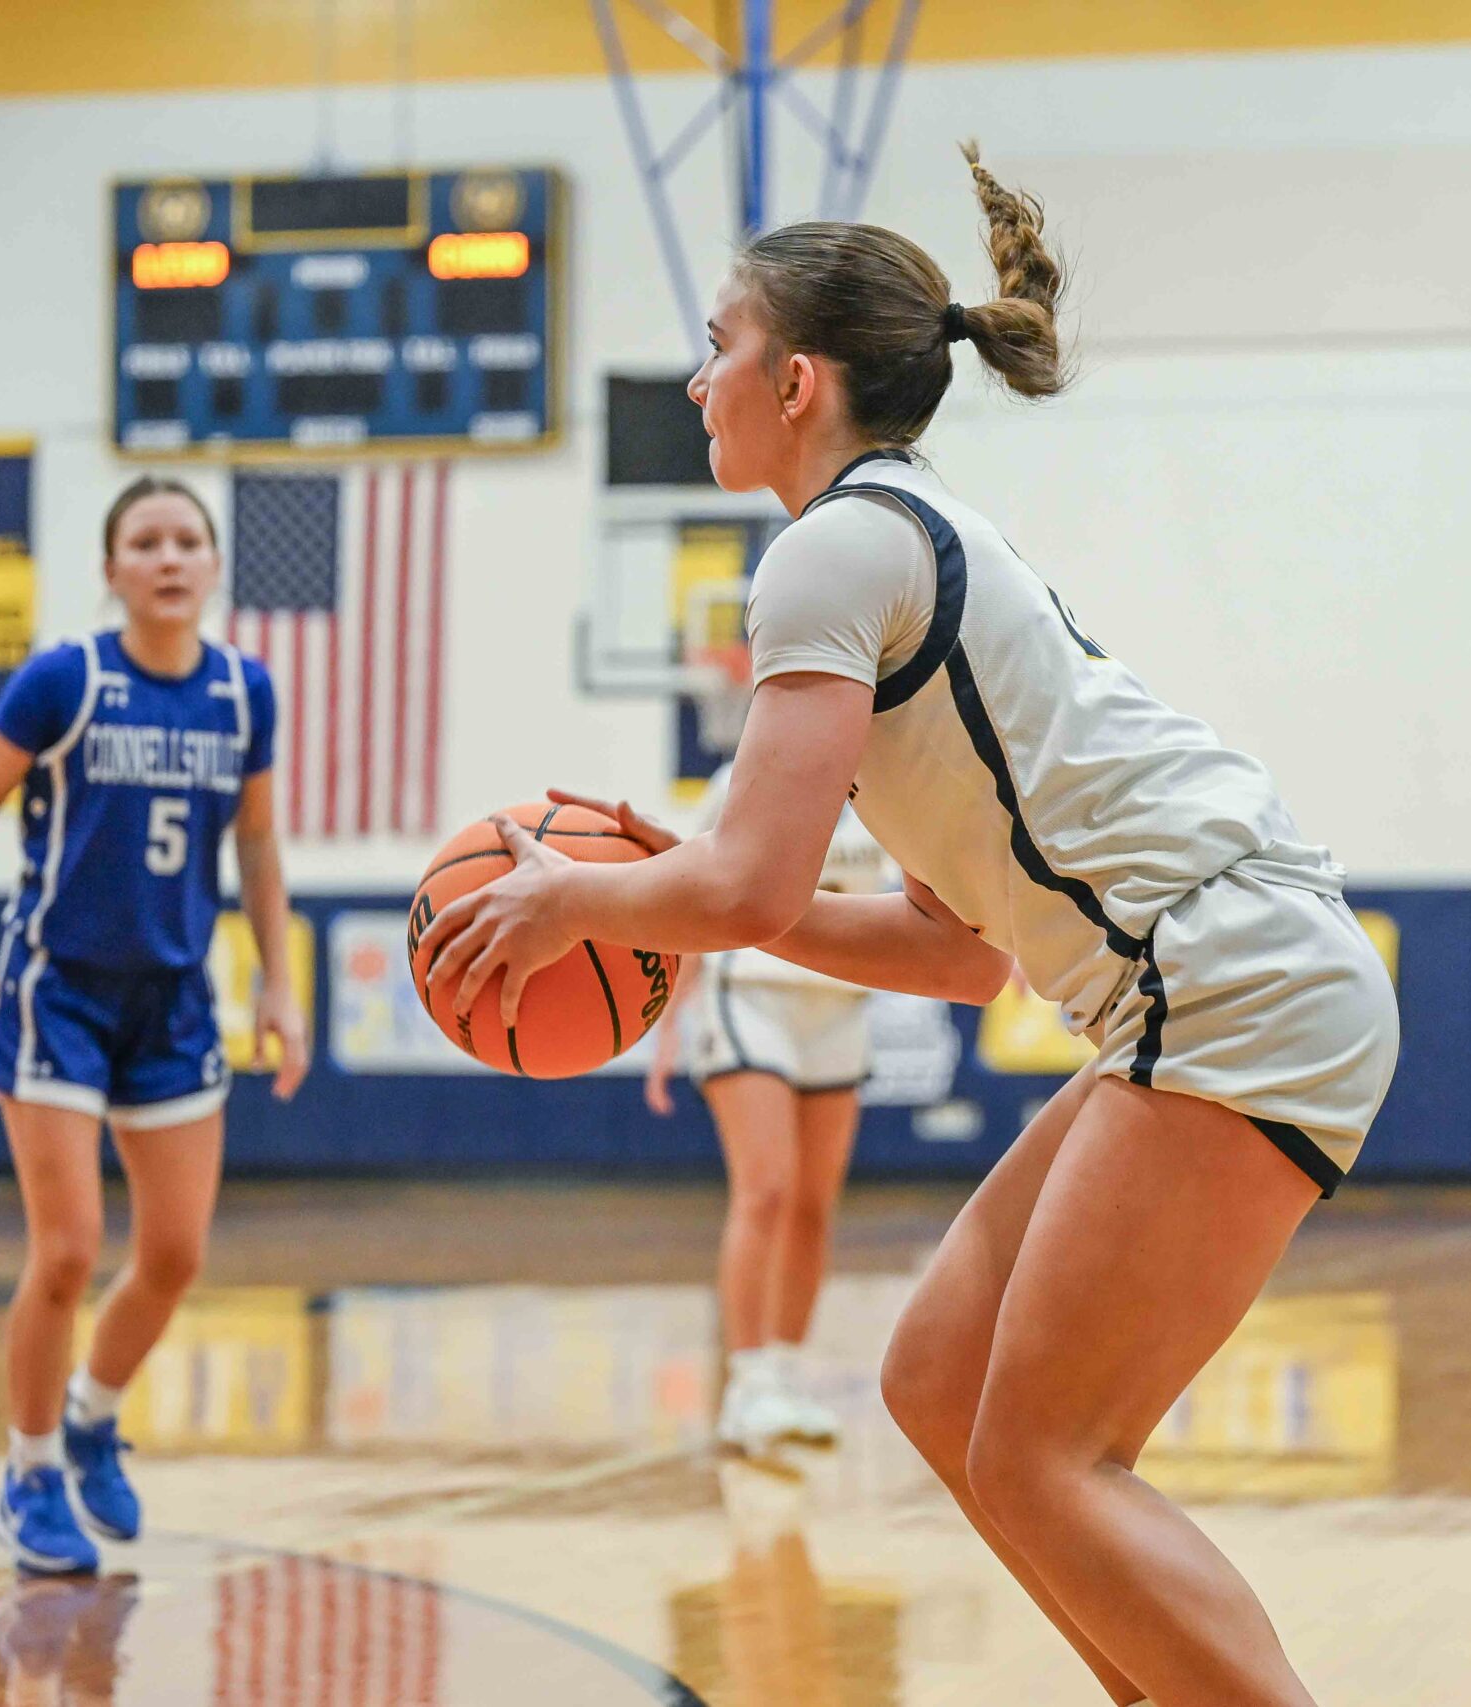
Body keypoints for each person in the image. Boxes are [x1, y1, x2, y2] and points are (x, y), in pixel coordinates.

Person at [424, 143, 1399, 1707]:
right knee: (942, 1382)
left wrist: (581, 897)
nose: (699, 380)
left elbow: (744, 887)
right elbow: (955, 950)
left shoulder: (831, 550)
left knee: (1042, 1455)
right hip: (1218, 971)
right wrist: (676, 885)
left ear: (796, 380)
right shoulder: (896, 529)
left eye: (721, 346)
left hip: (1225, 976)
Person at [0, 477, 310, 1576]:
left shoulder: (244, 692)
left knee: (176, 1255)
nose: (169, 557)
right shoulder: (67, 679)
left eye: (188, 539)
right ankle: (29, 1472)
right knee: (67, 1250)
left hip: (175, 996)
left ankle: (91, 1418)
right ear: (111, 570)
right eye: (146, 541)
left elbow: (257, 845)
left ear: (214, 564)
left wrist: (279, 985)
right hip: (58, 990)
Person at [645, 761, 895, 1454]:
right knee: (767, 1189)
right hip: (749, 993)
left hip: (840, 1002)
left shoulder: (890, 786)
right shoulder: (745, 778)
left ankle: (784, 1376)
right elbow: (694, 899)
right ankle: (746, 1385)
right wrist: (668, 1023)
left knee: (814, 1203)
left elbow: (946, 877)